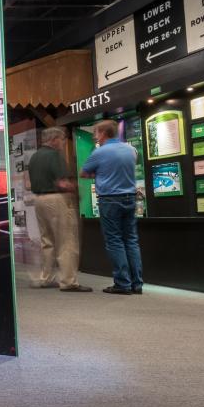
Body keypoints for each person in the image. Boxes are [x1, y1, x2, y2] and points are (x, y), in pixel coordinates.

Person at [80, 119, 143, 295]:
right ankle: (137, 283)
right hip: (130, 198)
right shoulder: (131, 149)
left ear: (103, 133)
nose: (95, 137)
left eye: (96, 133)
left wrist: (100, 173)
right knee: (131, 240)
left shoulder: (99, 152)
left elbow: (83, 173)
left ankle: (123, 283)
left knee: (114, 240)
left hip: (109, 199)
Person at [27, 127, 90, 293]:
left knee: (47, 241)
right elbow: (62, 182)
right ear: (54, 139)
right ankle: (68, 281)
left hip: (39, 200)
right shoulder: (54, 155)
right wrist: (76, 190)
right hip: (56, 199)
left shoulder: (35, 156)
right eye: (62, 139)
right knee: (66, 240)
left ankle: (45, 278)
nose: (63, 143)